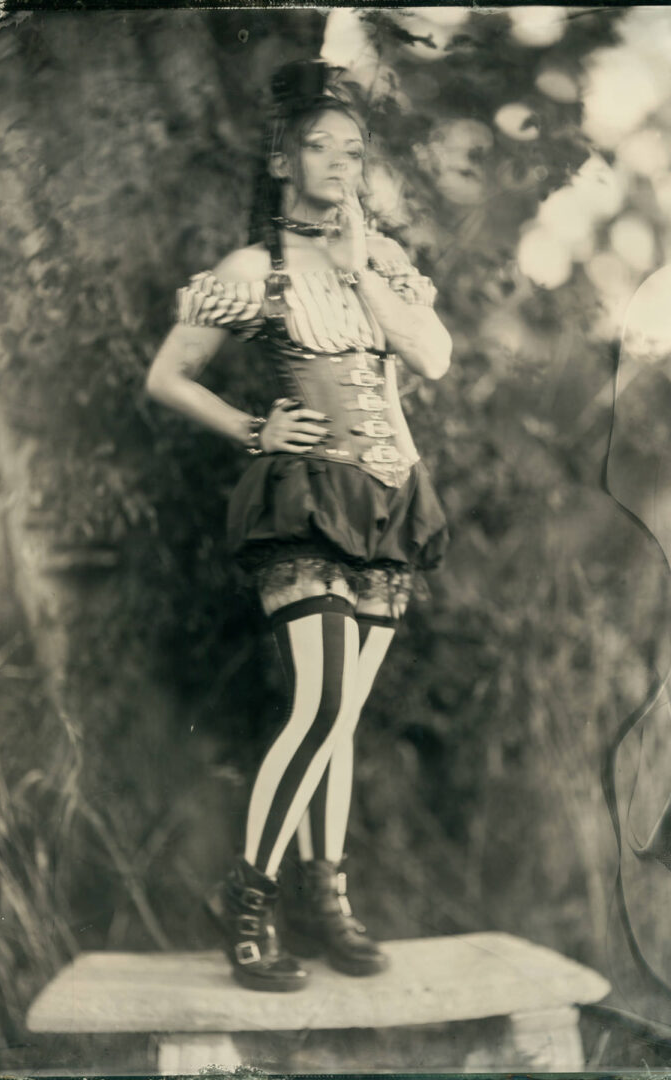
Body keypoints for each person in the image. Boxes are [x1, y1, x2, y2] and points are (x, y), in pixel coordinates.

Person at [146, 60, 452, 992]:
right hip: (305, 501)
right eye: (316, 146)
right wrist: (252, 428)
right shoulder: (255, 270)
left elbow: (432, 359)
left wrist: (363, 272)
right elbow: (165, 376)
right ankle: (249, 903)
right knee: (320, 704)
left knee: (343, 716)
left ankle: (327, 901)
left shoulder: (382, 260)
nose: (336, 163)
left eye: (351, 150)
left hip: (390, 497)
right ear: (281, 159)